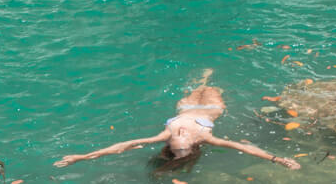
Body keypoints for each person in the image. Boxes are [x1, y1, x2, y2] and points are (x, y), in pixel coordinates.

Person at [54, 70, 302, 171]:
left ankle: (204, 75)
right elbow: (242, 147)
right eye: (179, 137)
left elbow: (124, 145)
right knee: (212, 85)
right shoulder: (206, 136)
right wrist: (277, 159)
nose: (178, 133)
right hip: (211, 109)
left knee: (199, 81)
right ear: (193, 144)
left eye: (175, 137)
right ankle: (209, 76)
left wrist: (82, 156)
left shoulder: (165, 135)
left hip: (185, 107)